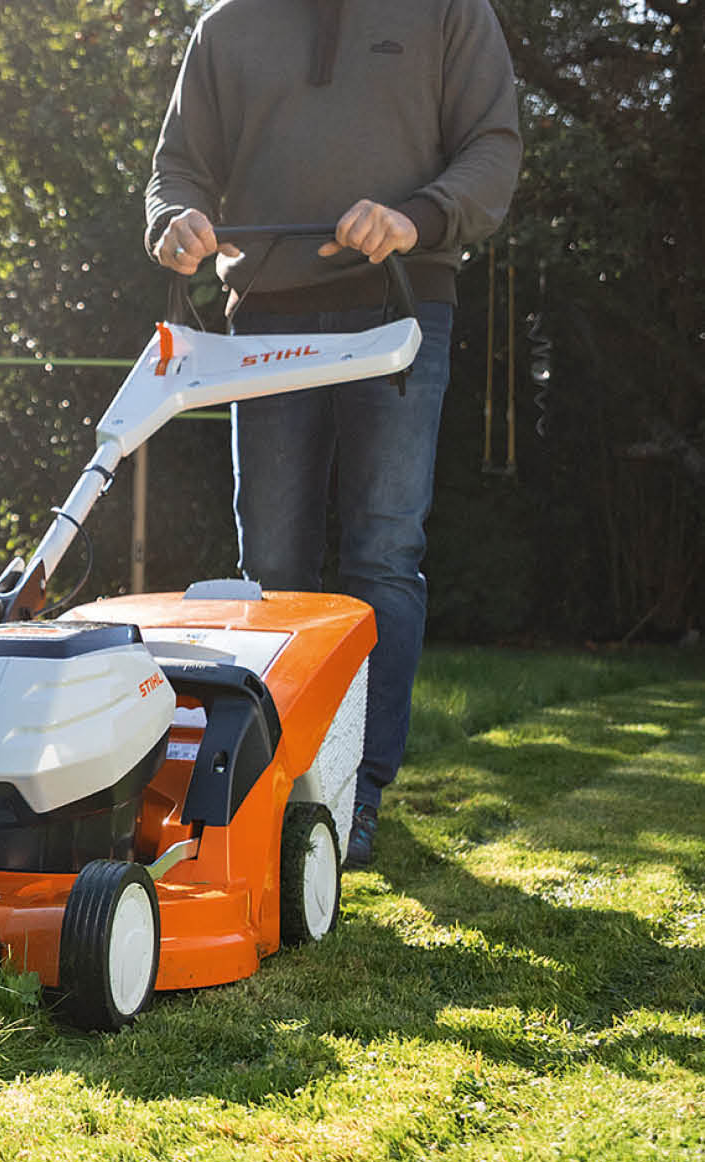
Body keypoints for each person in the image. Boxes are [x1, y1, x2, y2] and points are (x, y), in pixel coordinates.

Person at [145, 0, 521, 867]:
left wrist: (414, 217)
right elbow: (178, 168)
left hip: (399, 303)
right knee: (269, 564)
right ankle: (277, 785)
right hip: (266, 318)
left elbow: (492, 148)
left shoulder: (446, 11)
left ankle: (356, 791)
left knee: (381, 550)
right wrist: (177, 221)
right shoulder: (226, 24)